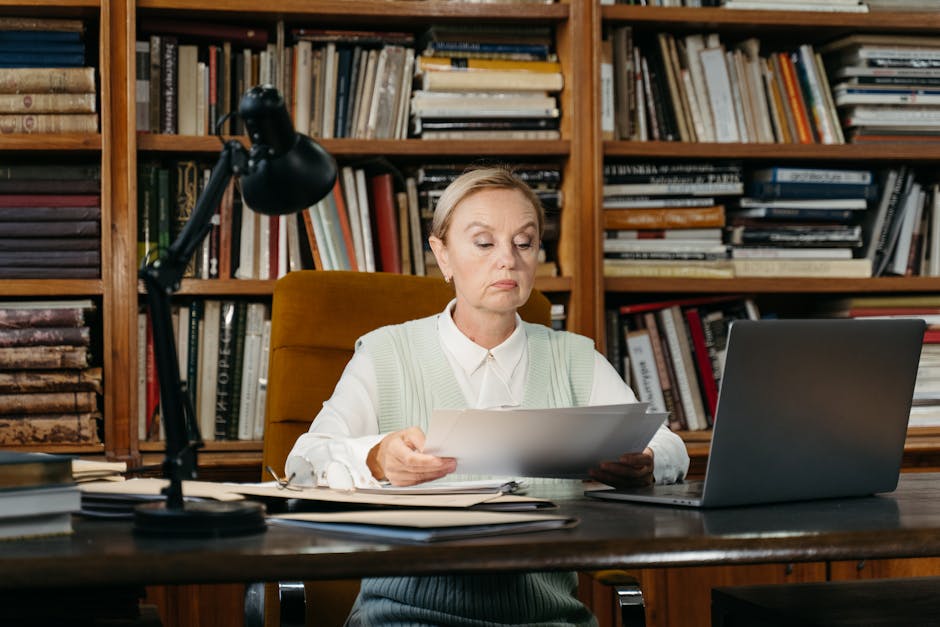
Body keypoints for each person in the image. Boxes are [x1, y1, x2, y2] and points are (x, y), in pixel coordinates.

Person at [285, 165, 690, 626]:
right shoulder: (386, 352)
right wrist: (377, 458)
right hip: (406, 617)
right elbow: (303, 462)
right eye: (484, 243)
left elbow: (667, 443)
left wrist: (646, 460)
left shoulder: (573, 357)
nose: (508, 260)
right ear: (442, 255)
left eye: (524, 242)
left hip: (548, 620)